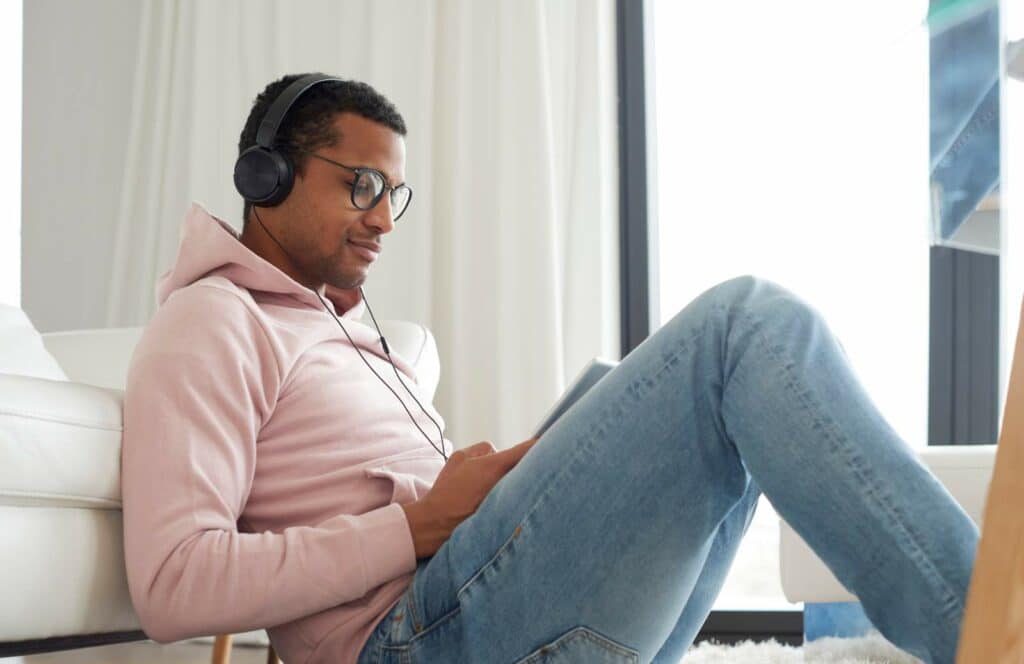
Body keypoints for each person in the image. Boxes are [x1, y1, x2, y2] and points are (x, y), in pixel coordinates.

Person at [121, 73, 979, 664]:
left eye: (395, 195)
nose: (385, 219)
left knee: (720, 412)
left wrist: (482, 497)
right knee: (741, 328)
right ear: (264, 179)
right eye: (361, 186)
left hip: (453, 602)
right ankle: (989, 631)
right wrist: (418, 528)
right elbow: (169, 586)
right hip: (411, 640)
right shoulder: (210, 323)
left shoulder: (340, 330)